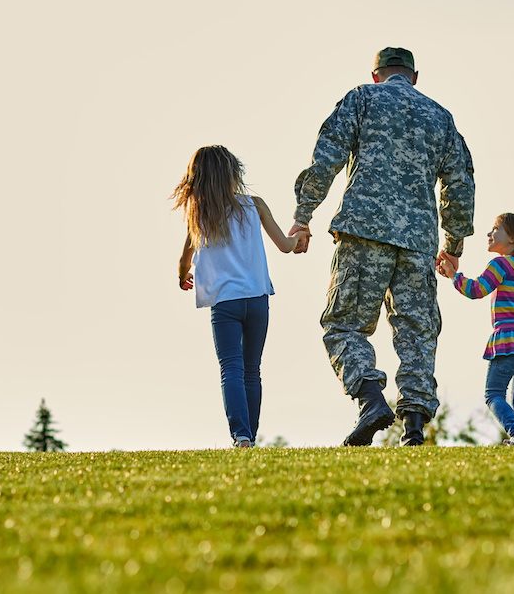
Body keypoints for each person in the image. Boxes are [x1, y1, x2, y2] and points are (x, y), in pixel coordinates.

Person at [289, 47, 475, 446]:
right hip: (418, 242)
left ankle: (371, 400)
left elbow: (326, 157)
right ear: (415, 77)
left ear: (376, 74)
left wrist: (303, 216)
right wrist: (453, 245)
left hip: (364, 231)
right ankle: (414, 426)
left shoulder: (362, 98)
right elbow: (460, 184)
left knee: (344, 325)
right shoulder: (440, 117)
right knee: (417, 332)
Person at [172, 145, 306, 448]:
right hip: (258, 298)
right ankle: (251, 436)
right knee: (252, 370)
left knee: (231, 368)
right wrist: (299, 236)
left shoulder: (200, 215)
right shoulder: (254, 205)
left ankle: (242, 436)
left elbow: (184, 260)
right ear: (234, 174)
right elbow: (285, 246)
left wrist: (183, 277)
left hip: (225, 304)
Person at [438, 213, 514, 445]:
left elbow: (476, 290)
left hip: (510, 341)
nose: (489, 233)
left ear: (513, 238)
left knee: (493, 394)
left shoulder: (501, 264)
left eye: (495, 229)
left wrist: (453, 275)